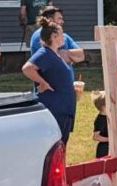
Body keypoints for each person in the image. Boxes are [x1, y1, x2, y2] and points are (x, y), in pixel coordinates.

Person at [22, 16, 77, 144]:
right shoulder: (45, 53)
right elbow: (27, 68)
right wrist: (42, 82)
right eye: (62, 34)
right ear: (54, 36)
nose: (64, 37)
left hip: (63, 109)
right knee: (55, 146)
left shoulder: (54, 54)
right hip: (55, 110)